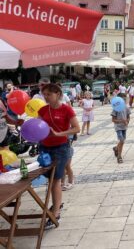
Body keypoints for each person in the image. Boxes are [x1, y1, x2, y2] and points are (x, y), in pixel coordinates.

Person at [38, 84, 80, 229]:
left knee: (55, 179)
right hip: (44, 148)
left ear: (57, 93)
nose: (46, 97)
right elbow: (38, 127)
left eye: (49, 94)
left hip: (60, 148)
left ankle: (56, 213)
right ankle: (56, 204)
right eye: (44, 95)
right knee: (50, 179)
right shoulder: (43, 110)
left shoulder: (66, 109)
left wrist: (59, 134)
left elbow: (76, 128)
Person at [111, 93, 131, 164]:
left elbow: (128, 116)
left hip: (124, 127)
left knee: (122, 141)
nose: (124, 100)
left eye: (125, 99)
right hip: (118, 127)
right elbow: (113, 120)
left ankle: (116, 148)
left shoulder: (126, 108)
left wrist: (127, 121)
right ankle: (119, 157)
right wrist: (122, 121)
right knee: (122, 141)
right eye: (123, 99)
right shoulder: (115, 109)